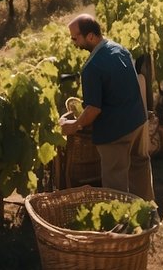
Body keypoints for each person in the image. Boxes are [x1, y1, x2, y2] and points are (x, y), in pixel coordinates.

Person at [62, 15, 154, 200]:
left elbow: (93, 110)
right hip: (138, 122)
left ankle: (122, 226)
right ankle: (149, 217)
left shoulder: (91, 67)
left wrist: (74, 125)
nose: (73, 42)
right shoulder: (120, 49)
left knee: (115, 185)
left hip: (115, 134)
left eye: (75, 38)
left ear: (90, 36)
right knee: (140, 169)